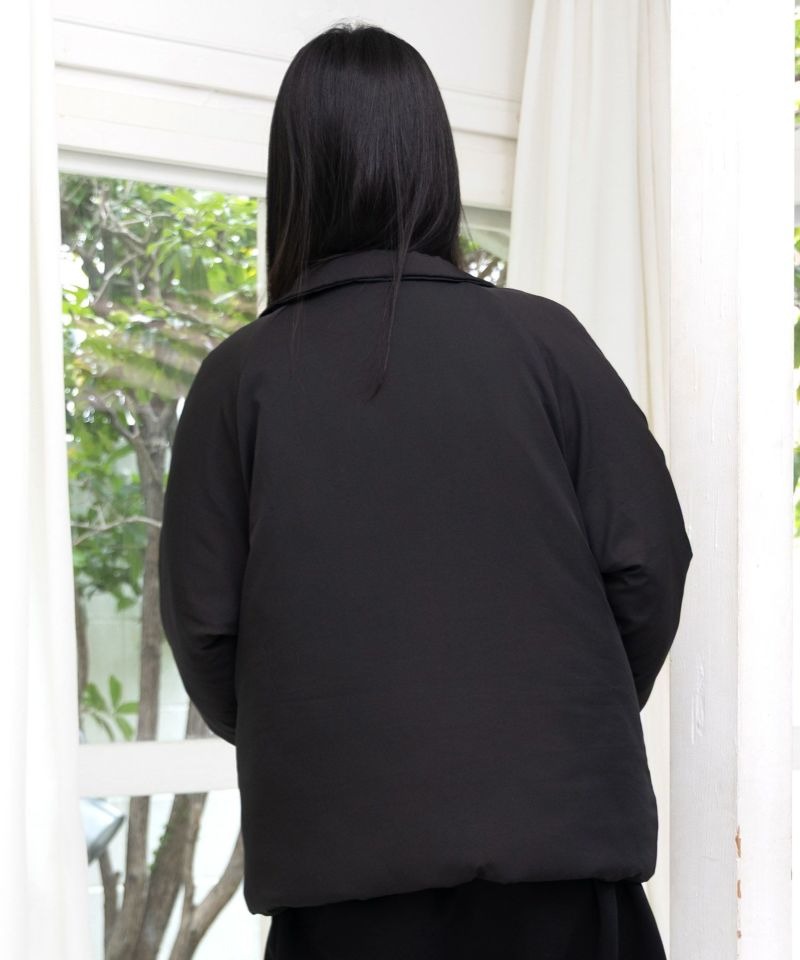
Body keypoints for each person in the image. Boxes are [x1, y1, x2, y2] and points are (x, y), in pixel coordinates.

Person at [158, 20, 693, 960]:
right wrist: (566, 711)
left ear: (296, 181)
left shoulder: (239, 381)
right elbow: (648, 562)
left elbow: (207, 629)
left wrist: (321, 726)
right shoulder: (547, 345)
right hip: (562, 880)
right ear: (433, 167)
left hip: (345, 891)